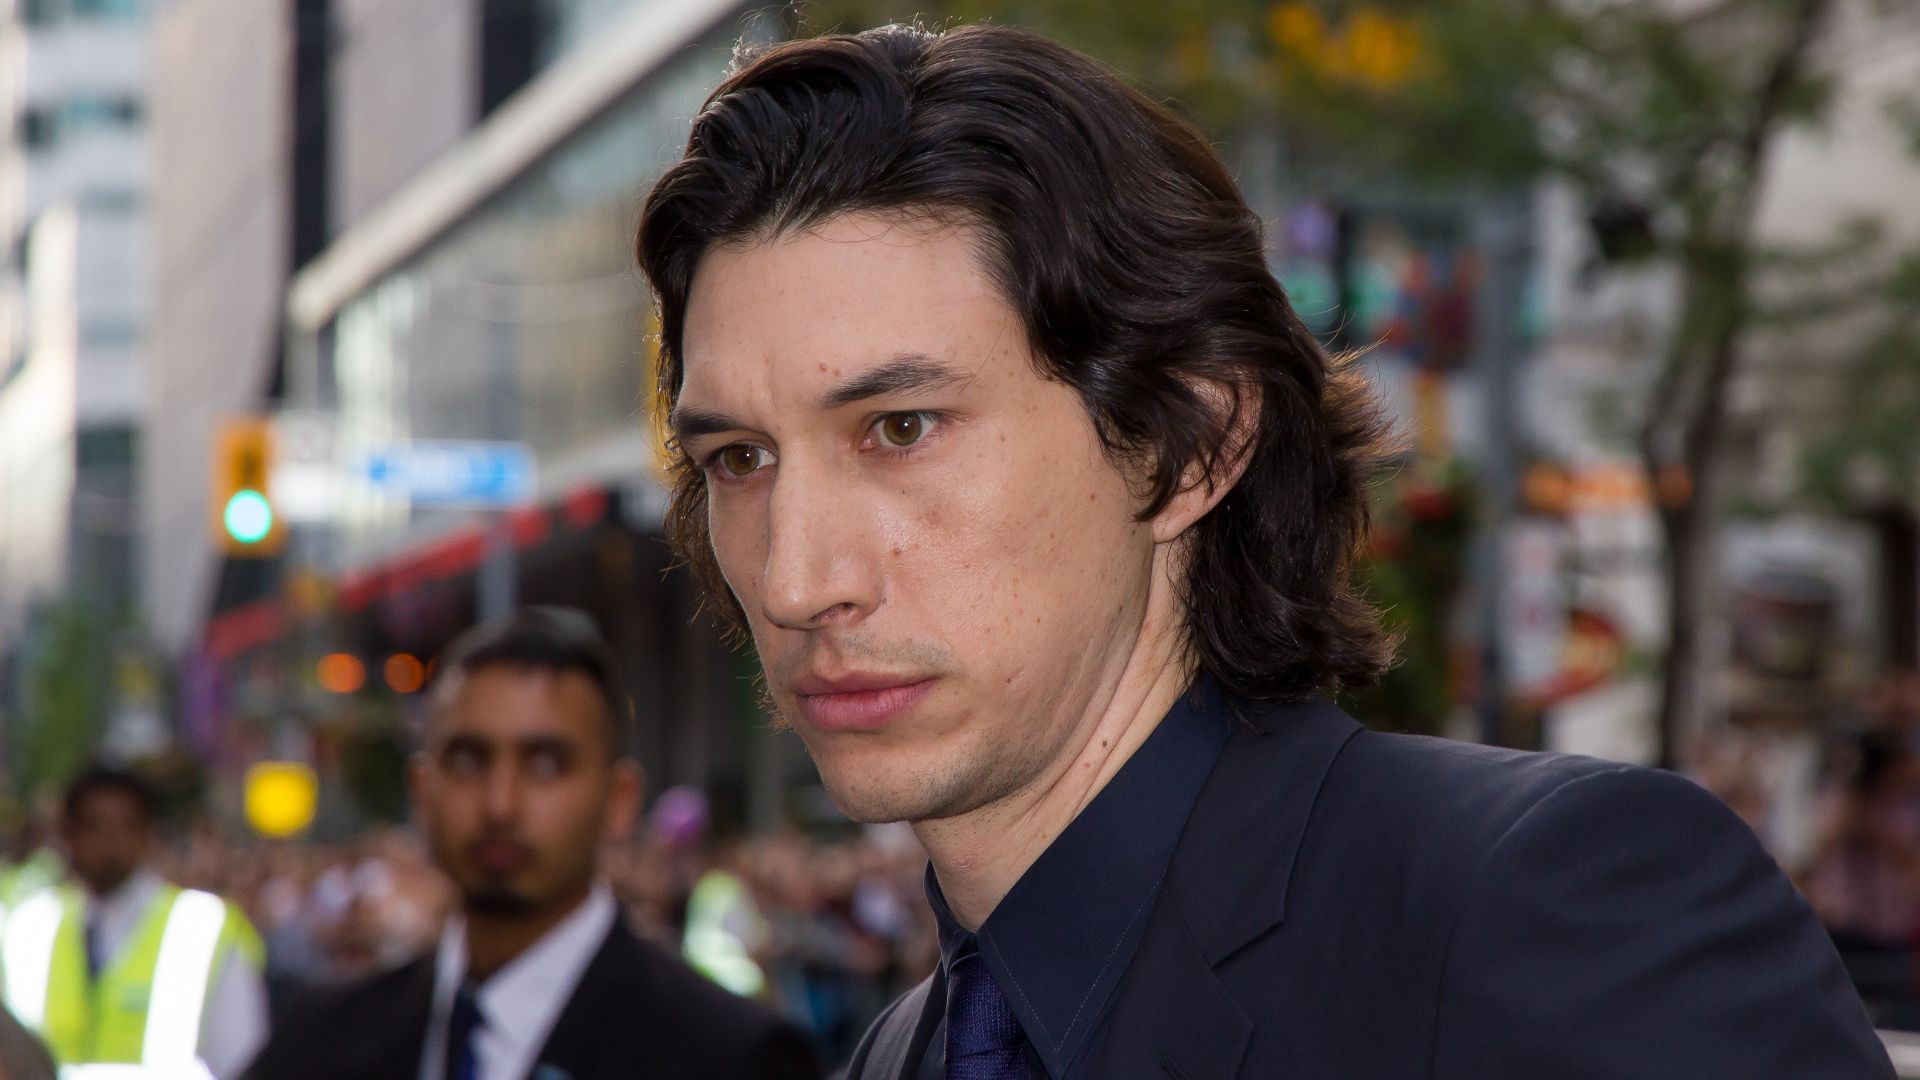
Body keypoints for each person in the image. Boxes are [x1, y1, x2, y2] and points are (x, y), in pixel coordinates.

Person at [634, 23, 1894, 1078]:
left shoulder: (1540, 907)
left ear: (1189, 445)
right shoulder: (899, 1054)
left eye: (900, 429)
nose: (798, 579)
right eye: (739, 459)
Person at [244, 607, 821, 1080]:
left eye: (546, 765)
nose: (500, 803)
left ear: (619, 800)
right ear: (422, 790)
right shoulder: (320, 1040)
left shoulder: (730, 1056)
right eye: (468, 760)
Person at [1, 766, 268, 1078]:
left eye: (125, 827)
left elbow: (242, 1058)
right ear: (68, 834)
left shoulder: (202, 927)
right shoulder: (30, 925)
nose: (108, 842)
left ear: (148, 834)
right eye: (93, 826)